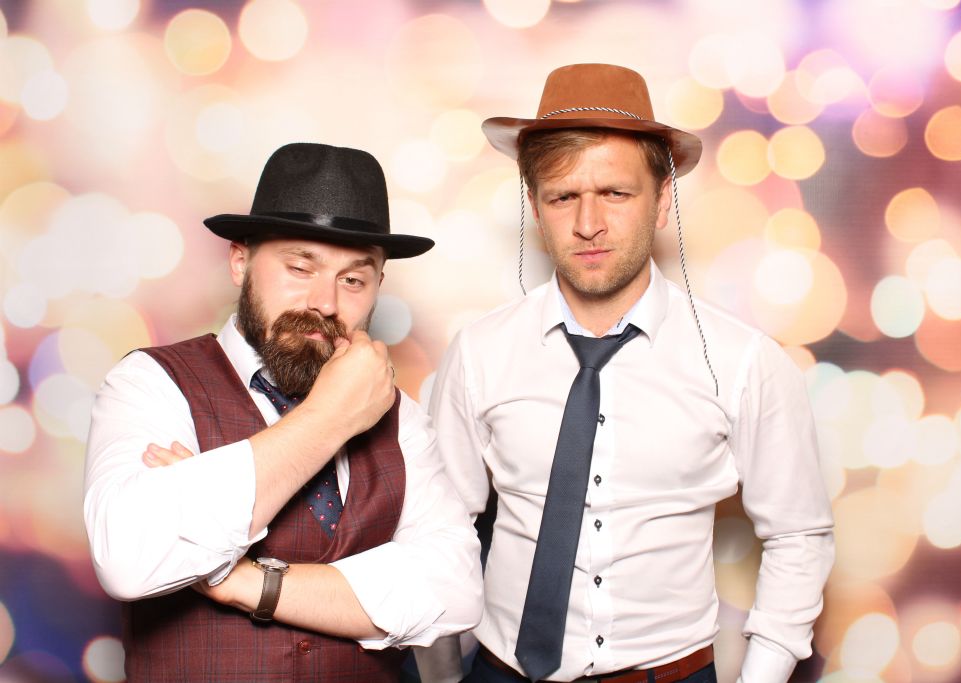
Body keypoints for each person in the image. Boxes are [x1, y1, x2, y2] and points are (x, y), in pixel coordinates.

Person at [421, 64, 835, 682]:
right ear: (535, 208)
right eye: (563, 197)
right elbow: (439, 530)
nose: (588, 223)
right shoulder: (480, 352)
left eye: (615, 193)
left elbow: (799, 535)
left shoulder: (744, 362)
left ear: (662, 201)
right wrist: (442, 678)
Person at [83, 143, 483, 682]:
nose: (325, 302)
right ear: (240, 262)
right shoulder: (151, 383)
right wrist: (329, 419)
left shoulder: (400, 417)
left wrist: (242, 580)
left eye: (354, 279)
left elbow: (455, 591)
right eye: (300, 267)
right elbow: (130, 558)